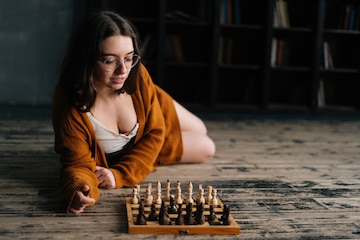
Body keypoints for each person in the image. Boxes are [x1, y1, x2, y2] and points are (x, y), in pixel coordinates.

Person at [52, 11, 215, 214]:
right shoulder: (67, 99)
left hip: (156, 106)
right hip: (140, 145)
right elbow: (77, 163)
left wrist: (121, 174)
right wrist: (78, 190)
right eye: (109, 60)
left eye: (129, 58)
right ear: (87, 58)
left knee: (200, 128)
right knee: (207, 146)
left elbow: (155, 132)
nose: (123, 70)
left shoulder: (135, 73)